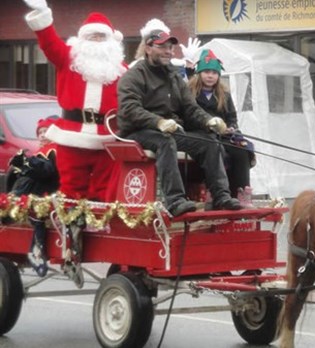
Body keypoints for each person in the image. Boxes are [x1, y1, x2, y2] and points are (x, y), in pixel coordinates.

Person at [23, 0, 125, 286]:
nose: (96, 41)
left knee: (105, 194)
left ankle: (110, 248)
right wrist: (43, 15)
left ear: (110, 42)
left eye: (101, 37)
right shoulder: (67, 58)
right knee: (70, 193)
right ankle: (71, 251)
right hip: (70, 136)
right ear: (81, 39)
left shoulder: (122, 70)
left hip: (106, 140)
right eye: (91, 36)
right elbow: (48, 41)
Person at [117, 22, 242, 217]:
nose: (168, 51)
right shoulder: (134, 76)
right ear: (148, 48)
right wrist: (158, 122)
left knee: (209, 141)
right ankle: (175, 200)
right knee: (164, 141)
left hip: (171, 129)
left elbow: (190, 107)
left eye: (170, 47)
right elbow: (130, 109)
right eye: (162, 47)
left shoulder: (174, 78)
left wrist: (209, 121)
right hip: (138, 131)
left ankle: (221, 196)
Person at [187, 49, 256, 207]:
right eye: (206, 72)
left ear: (218, 75)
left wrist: (231, 128)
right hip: (199, 134)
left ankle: (241, 192)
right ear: (199, 73)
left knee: (241, 148)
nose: (210, 76)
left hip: (223, 134)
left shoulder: (224, 94)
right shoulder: (189, 92)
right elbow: (188, 116)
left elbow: (232, 117)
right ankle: (215, 190)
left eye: (214, 72)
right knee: (217, 149)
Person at [8, 117, 59, 277]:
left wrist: (27, 163)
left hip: (45, 195)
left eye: (46, 132)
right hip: (34, 193)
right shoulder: (42, 151)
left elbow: (46, 171)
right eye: (40, 132)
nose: (43, 135)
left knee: (37, 219)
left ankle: (37, 253)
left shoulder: (52, 150)